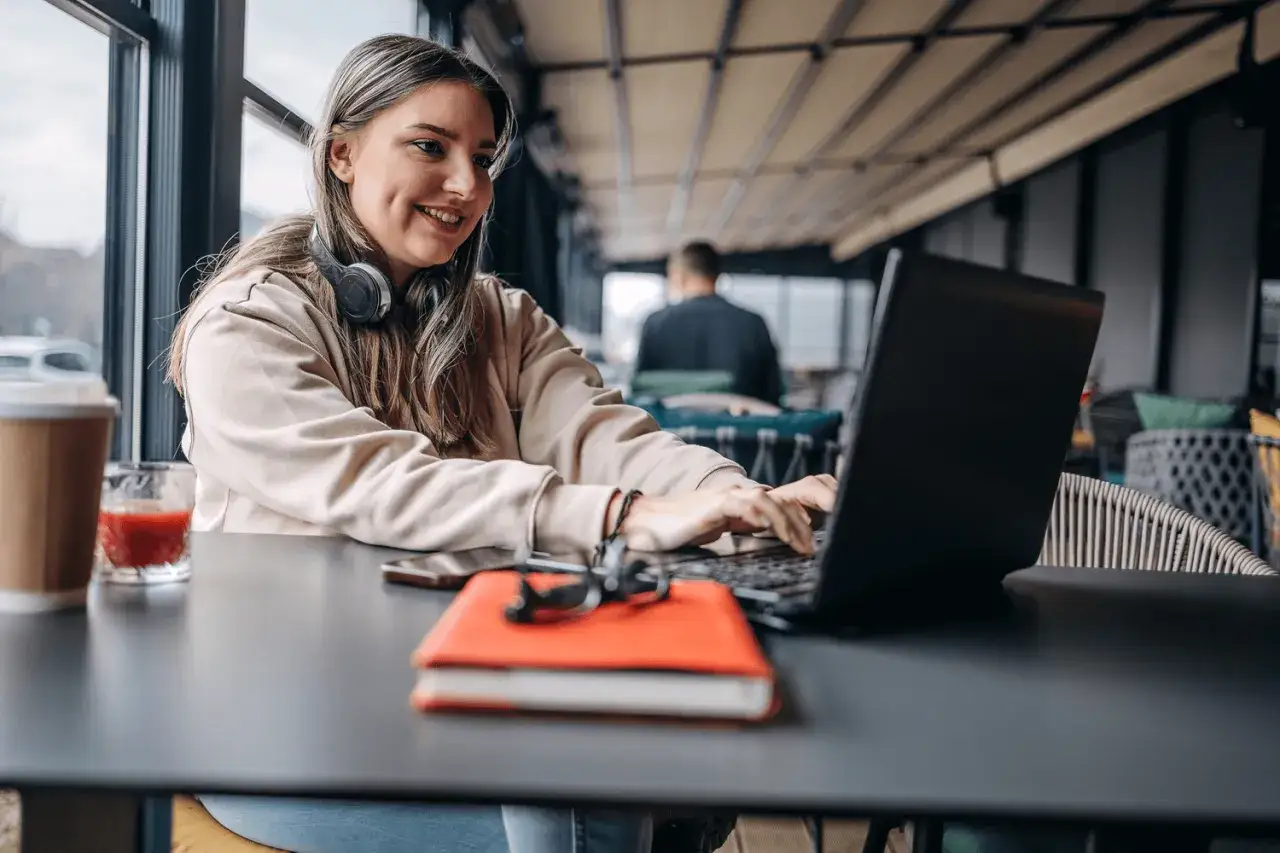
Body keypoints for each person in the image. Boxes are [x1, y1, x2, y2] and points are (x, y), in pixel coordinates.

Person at [168, 34, 835, 853]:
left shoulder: (501, 318)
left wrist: (735, 495)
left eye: (482, 158)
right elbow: (384, 484)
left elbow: (607, 436)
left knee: (645, 773)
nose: (466, 185)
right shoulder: (247, 324)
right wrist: (626, 516)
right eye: (429, 147)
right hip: (294, 721)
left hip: (468, 687)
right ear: (341, 153)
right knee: (589, 799)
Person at [634, 242, 784, 406]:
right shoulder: (753, 323)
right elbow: (773, 393)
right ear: (718, 274)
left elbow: (640, 392)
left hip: (667, 429)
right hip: (740, 428)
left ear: (678, 276)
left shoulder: (655, 323)